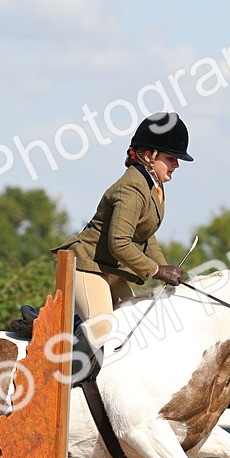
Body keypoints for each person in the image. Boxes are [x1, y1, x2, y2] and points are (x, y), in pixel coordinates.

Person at [54, 111, 193, 346]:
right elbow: (119, 243)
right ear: (149, 155)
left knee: (135, 325)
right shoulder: (131, 188)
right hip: (87, 267)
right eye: (171, 158)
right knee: (102, 328)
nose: (176, 165)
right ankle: (73, 374)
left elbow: (146, 236)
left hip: (112, 270)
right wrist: (157, 271)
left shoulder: (153, 186)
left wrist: (166, 270)